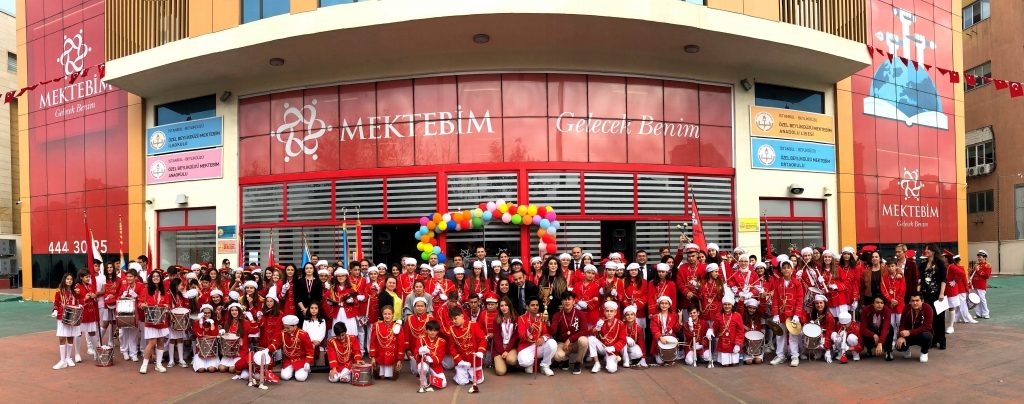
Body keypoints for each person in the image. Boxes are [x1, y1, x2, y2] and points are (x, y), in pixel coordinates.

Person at [769, 255, 804, 367]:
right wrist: (775, 314)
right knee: (780, 335)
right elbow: (775, 299)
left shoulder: (797, 283)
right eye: (784, 268)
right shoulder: (777, 282)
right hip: (781, 314)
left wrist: (797, 315)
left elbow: (800, 300)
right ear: (781, 270)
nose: (786, 270)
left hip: (793, 315)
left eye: (788, 267)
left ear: (792, 269)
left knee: (793, 336)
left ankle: (794, 356)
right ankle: (780, 356)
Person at [444, 306, 486, 388]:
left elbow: (482, 339)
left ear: (462, 316)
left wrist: (481, 351)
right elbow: (452, 348)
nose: (454, 321)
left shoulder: (473, 325)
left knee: (478, 381)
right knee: (462, 382)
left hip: (474, 359)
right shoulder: (452, 329)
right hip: (462, 360)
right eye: (452, 319)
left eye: (455, 318)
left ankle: (468, 373)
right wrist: (459, 361)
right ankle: (459, 373)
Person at [139, 270, 171, 374]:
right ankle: (144, 365)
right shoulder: (146, 290)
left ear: (160, 278)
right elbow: (140, 302)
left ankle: (158, 364)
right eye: (154, 276)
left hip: (161, 319)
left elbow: (168, 304)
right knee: (152, 342)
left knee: (161, 341)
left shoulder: (165, 291)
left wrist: (166, 306)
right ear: (151, 279)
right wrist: (142, 305)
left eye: (158, 276)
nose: (156, 278)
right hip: (151, 320)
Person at [517, 296, 557, 376]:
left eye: (537, 305)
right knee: (523, 361)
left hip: (539, 345)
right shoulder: (521, 318)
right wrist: (529, 330)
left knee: (552, 343)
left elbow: (547, 333)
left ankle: (545, 366)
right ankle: (530, 364)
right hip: (526, 346)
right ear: (527, 307)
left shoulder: (542, 316)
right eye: (532, 305)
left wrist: (543, 338)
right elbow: (521, 336)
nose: (535, 307)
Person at [549, 291, 588, 374]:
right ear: (562, 302)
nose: (567, 302)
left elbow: (585, 331)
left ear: (573, 301)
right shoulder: (557, 315)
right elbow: (552, 332)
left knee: (584, 340)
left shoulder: (580, 314)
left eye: (569, 299)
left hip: (576, 343)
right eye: (565, 300)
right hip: (563, 344)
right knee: (557, 356)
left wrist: (570, 339)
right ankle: (565, 359)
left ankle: (578, 363)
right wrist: (548, 324)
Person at [920, 244, 947, 350]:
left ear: (933, 251)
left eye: (928, 249)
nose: (926, 251)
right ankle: (933, 340)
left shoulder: (940, 263)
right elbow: (921, 281)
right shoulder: (923, 264)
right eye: (925, 249)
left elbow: (943, 279)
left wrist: (942, 293)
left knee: (940, 318)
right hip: (926, 295)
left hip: (938, 295)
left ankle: (942, 341)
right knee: (930, 318)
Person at [271, 314, 314, 382]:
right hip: (288, 360)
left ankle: (303, 371)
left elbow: (310, 350)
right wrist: (268, 349)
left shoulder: (303, 334)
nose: (286, 329)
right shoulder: (283, 333)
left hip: (300, 360)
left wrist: (308, 362)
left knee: (300, 378)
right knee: (284, 377)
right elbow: (276, 344)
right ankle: (294, 371)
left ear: (295, 326)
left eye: (288, 328)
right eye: (285, 327)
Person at [52, 273, 81, 370]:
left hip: (72, 316)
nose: (69, 281)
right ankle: (62, 360)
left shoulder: (74, 292)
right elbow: (56, 303)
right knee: (62, 338)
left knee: (70, 337)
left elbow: (77, 302)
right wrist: (55, 311)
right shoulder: (59, 292)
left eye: (71, 279)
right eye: (67, 279)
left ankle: (68, 358)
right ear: (64, 280)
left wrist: (79, 305)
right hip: (62, 317)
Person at [587, 300, 625, 374]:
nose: (609, 313)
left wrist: (613, 348)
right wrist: (596, 328)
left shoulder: (620, 324)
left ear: (615, 312)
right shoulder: (600, 321)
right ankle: (597, 363)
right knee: (590, 338)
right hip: (603, 347)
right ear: (604, 312)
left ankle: (608, 358)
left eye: (611, 311)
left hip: (612, 350)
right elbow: (590, 333)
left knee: (612, 370)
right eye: (607, 311)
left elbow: (623, 340)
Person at [896, 292, 934, 363]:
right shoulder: (906, 308)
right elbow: (902, 324)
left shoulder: (927, 308)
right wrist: (901, 336)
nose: (915, 303)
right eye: (912, 301)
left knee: (927, 336)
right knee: (899, 345)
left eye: (917, 300)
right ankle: (906, 349)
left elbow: (927, 327)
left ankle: (924, 352)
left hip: (921, 334)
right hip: (908, 335)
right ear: (910, 301)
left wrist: (910, 332)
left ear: (922, 301)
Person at [369, 305, 404, 380]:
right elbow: (373, 342)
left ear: (393, 314)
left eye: (389, 314)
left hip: (393, 355)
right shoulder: (376, 325)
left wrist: (399, 359)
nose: (387, 316)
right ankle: (381, 372)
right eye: (385, 314)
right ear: (382, 314)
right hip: (380, 355)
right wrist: (373, 357)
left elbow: (401, 344)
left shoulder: (397, 326)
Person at [414, 320, 448, 392]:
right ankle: (424, 381)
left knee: (443, 384)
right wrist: (421, 354)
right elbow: (416, 355)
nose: (432, 332)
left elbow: (440, 357)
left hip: (435, 365)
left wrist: (431, 359)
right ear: (426, 330)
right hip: (424, 363)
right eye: (430, 330)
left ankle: (430, 378)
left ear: (438, 331)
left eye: (435, 330)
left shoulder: (442, 341)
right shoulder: (421, 340)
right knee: (422, 367)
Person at [712, 296, 743, 367]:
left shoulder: (737, 316)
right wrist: (711, 331)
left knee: (734, 364)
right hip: (723, 343)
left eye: (729, 304)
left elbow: (740, 331)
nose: (727, 306)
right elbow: (715, 328)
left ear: (732, 305)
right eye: (725, 304)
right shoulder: (718, 315)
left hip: (733, 343)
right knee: (725, 364)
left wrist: (738, 344)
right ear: (722, 305)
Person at [491, 297, 519, 376]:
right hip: (499, 348)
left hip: (511, 347)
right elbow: (496, 338)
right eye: (502, 306)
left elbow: (515, 337)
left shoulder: (516, 319)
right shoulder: (496, 320)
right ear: (499, 307)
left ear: (510, 306)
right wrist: (502, 351)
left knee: (511, 360)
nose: (504, 308)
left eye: (506, 305)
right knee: (501, 372)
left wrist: (507, 350)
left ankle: (508, 362)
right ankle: (503, 363)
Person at [860, 296, 893, 361]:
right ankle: (869, 349)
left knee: (890, 328)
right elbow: (863, 328)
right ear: (873, 303)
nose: (880, 305)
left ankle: (888, 351)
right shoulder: (866, 310)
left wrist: (880, 343)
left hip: (881, 329)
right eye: (877, 302)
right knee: (864, 333)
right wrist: (873, 335)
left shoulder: (887, 310)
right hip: (871, 330)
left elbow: (885, 328)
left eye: (882, 303)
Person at [649, 295, 679, 365]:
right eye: (662, 303)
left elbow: (676, 329)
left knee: (670, 360)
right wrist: (660, 337)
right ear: (659, 305)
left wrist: (680, 319)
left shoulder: (674, 316)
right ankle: (657, 354)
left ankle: (670, 354)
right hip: (659, 338)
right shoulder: (655, 317)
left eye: (666, 303)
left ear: (669, 305)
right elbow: (654, 329)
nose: (664, 305)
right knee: (660, 362)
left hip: (670, 338)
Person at [192, 304, 220, 373]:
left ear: (211, 313)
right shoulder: (197, 322)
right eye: (205, 313)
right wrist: (200, 322)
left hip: (212, 351)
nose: (207, 314)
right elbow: (200, 335)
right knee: (201, 370)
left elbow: (215, 334)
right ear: (202, 313)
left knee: (211, 369)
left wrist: (212, 323)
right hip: (200, 351)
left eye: (209, 313)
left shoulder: (214, 321)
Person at [740, 298, 764, 365]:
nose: (751, 310)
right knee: (749, 362)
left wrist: (763, 298)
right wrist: (741, 302)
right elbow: (740, 310)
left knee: (758, 361)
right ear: (746, 308)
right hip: (747, 344)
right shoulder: (743, 316)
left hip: (756, 344)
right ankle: (747, 356)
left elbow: (762, 308)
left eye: (754, 308)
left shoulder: (758, 316)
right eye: (750, 308)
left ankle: (758, 355)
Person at [972, 250, 992, 319]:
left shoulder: (987, 265)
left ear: (984, 257)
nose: (979, 258)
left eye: (980, 257)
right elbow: (972, 274)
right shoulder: (976, 265)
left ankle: (986, 313)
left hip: (981, 285)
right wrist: (971, 271)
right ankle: (978, 313)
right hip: (974, 284)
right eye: (978, 257)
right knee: (976, 299)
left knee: (982, 299)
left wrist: (978, 270)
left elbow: (987, 276)